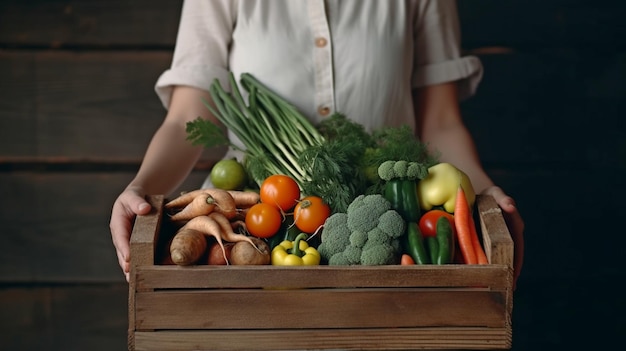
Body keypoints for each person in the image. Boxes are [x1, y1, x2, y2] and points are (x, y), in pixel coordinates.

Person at [109, 0, 524, 285]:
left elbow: (441, 123)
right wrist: (140, 189)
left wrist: (486, 194)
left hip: (384, 213)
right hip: (253, 219)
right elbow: (187, 119)